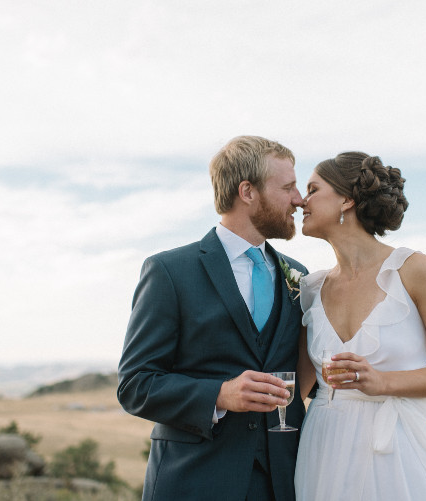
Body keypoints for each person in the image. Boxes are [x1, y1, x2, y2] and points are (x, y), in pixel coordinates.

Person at [117, 136, 308, 501]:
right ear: (247, 191)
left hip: (281, 482)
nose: (298, 199)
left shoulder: (298, 276)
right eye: (287, 187)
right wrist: (220, 394)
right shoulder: (170, 271)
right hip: (195, 480)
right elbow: (135, 385)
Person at [293, 152, 426, 500]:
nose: (302, 200)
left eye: (313, 189)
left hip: (394, 450)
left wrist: (383, 382)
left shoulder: (413, 270)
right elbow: (300, 385)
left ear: (346, 199)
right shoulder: (312, 289)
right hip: (322, 447)